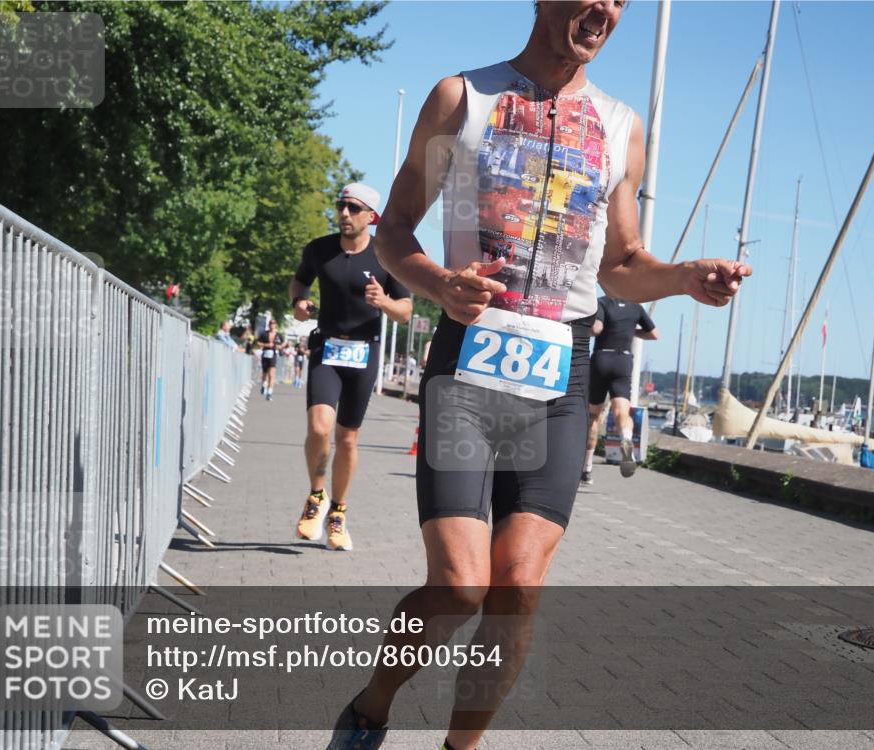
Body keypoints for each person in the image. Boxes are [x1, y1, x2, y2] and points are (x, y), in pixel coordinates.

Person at [326, 3, 752, 749]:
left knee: (517, 588)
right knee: (460, 585)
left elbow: (622, 265)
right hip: (467, 367)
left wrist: (684, 277)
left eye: (621, 0)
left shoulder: (620, 126)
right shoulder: (463, 98)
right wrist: (439, 284)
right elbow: (395, 230)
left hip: (560, 375)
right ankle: (370, 709)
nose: (607, 9)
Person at [290, 183, 412, 552]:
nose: (344, 213)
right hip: (327, 348)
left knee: (347, 438)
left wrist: (384, 302)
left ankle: (338, 513)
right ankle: (316, 496)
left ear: (371, 217)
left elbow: (405, 312)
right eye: (341, 206)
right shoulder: (320, 249)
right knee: (318, 427)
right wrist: (299, 303)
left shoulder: (386, 256)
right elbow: (300, 282)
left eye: (353, 208)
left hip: (363, 353)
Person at [582, 296, 658, 483]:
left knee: (593, 416)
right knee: (621, 412)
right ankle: (626, 438)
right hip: (623, 361)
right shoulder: (636, 306)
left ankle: (587, 467)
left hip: (602, 358)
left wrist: (582, 328)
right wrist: (632, 331)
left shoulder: (603, 302)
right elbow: (654, 334)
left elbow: (596, 329)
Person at [258, 319, 283, 401]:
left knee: (271, 375)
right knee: (264, 373)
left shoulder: (278, 335)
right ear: (269, 325)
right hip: (265, 354)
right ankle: (263, 384)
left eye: (273, 323)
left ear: (276, 325)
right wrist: (266, 345)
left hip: (273, 355)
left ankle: (269, 393)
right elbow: (258, 343)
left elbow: (282, 344)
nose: (272, 325)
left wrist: (278, 347)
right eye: (271, 323)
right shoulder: (264, 334)